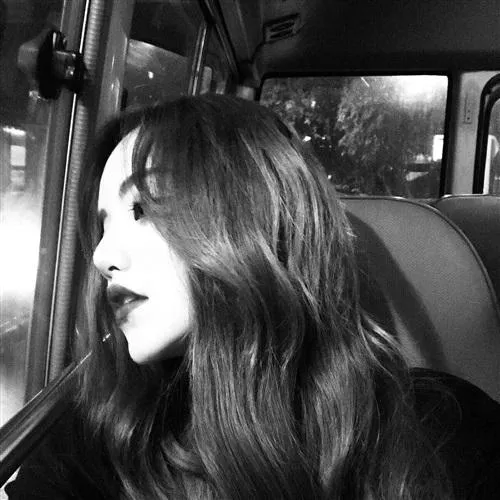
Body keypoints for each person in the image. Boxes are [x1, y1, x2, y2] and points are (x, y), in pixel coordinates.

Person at [6, 95, 499, 499]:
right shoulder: (104, 435)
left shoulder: (442, 432)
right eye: (103, 225)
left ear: (252, 217)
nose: (101, 256)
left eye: (143, 208)